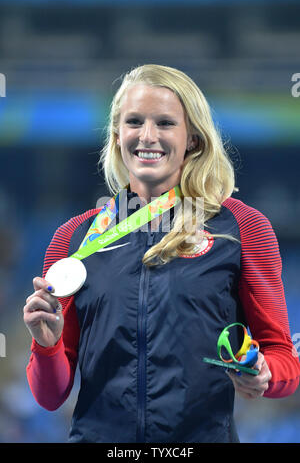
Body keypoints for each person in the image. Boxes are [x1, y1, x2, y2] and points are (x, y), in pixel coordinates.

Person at [24, 64, 300, 443]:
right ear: (117, 134)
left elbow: (284, 359)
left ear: (193, 139)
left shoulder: (241, 228)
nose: (147, 136)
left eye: (166, 123)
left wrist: (266, 373)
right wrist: (46, 342)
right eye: (134, 121)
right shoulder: (75, 238)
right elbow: (49, 396)